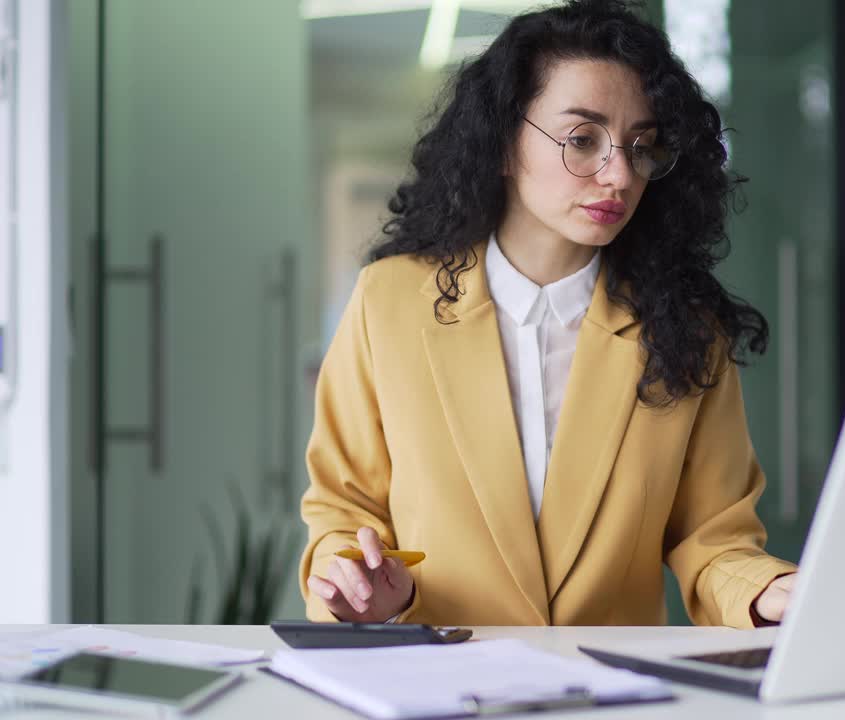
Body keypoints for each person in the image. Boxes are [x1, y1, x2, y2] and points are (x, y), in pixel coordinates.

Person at [299, 0, 798, 629]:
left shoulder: (688, 329)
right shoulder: (388, 302)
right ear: (504, 144)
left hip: (611, 690)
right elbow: (346, 509)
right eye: (582, 139)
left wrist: (772, 592)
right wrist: (359, 582)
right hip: (438, 680)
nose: (619, 174)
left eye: (640, 146)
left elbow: (714, 540)